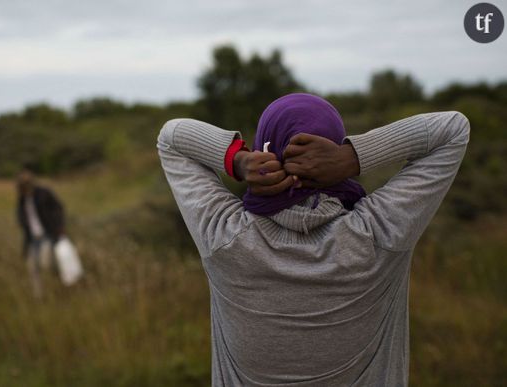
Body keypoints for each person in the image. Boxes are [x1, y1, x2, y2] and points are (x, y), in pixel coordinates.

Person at [157, 93, 469, 386]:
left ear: (265, 149)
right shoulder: (378, 233)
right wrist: (353, 157)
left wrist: (238, 161)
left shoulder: (225, 235)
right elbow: (453, 129)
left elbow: (172, 137)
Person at [16, 168, 65, 298]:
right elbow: (21, 218)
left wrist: (59, 228)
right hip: (32, 239)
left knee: (46, 264)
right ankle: (39, 296)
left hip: (47, 235)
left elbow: (58, 208)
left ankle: (58, 284)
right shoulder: (22, 200)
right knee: (32, 268)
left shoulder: (44, 193)